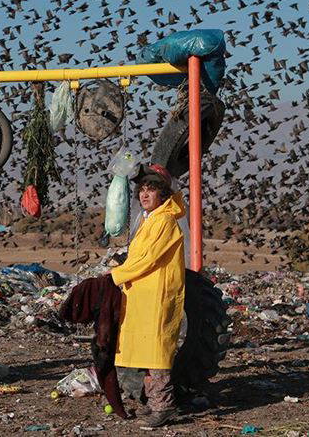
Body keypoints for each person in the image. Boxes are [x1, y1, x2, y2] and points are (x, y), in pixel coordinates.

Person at [110, 163, 186, 427]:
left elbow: (148, 258)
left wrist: (116, 275)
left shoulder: (164, 221)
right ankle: (154, 403)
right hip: (143, 296)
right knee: (147, 352)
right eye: (142, 190)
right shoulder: (149, 219)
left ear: (162, 194)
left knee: (157, 353)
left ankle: (163, 407)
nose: (144, 195)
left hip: (157, 296)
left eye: (151, 190)